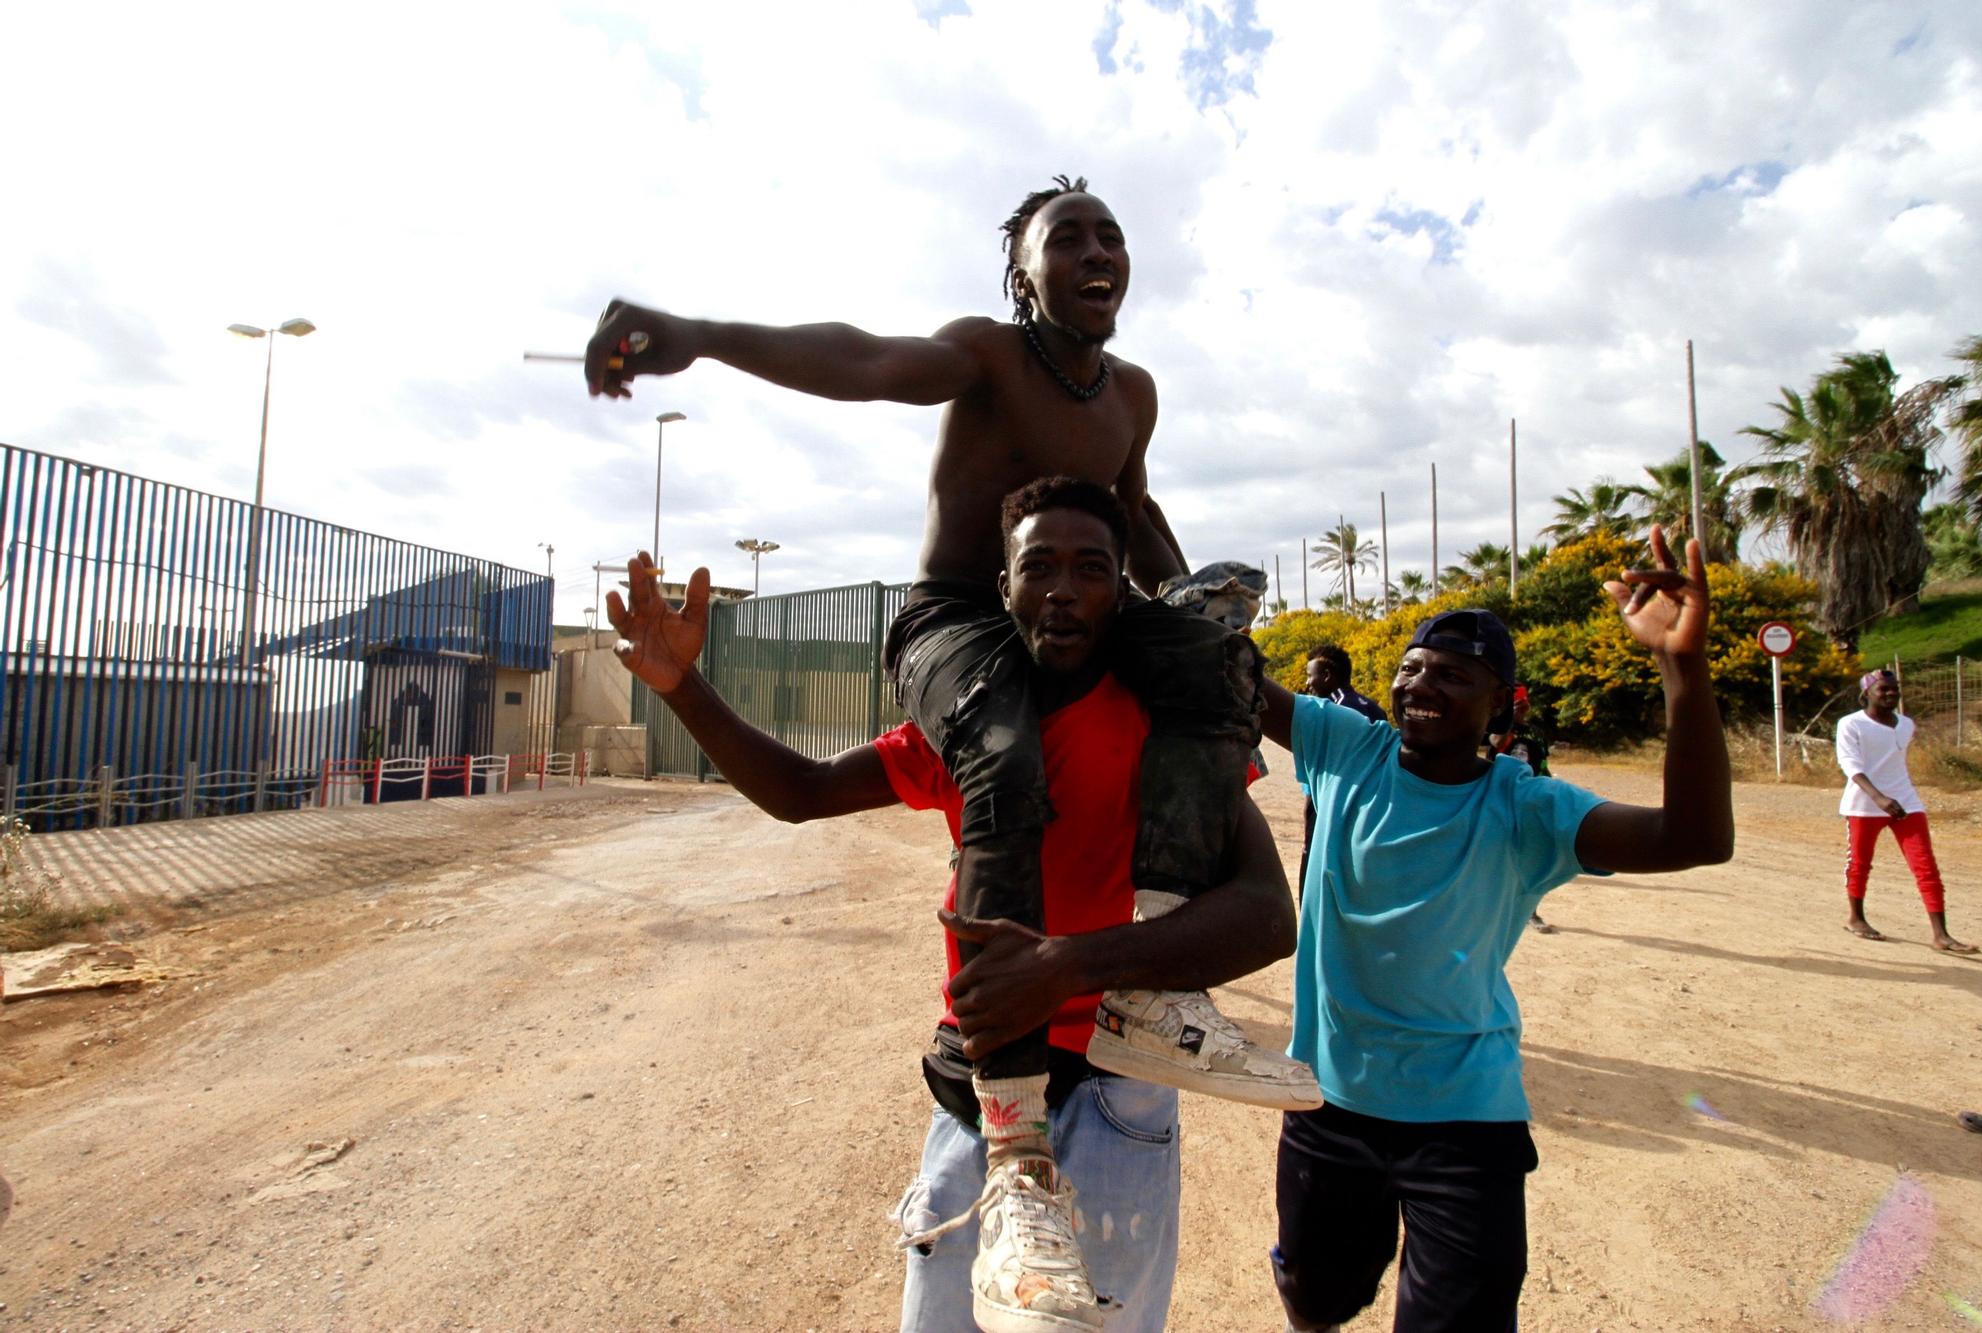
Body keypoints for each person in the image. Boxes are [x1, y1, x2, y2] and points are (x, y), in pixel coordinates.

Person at [585, 181, 1312, 1158]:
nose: (1096, 252)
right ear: (1022, 272)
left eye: (1110, 236)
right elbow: (867, 359)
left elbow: (1129, 513)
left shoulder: (1131, 393)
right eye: (1067, 240)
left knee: (1213, 663)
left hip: (1071, 617)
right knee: (1007, 754)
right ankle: (999, 1092)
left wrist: (1194, 630)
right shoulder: (987, 352)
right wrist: (701, 333)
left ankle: (1150, 981)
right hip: (963, 617)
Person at [605, 479, 1298, 1332]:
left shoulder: (1171, 725)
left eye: (1090, 568)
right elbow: (802, 790)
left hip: (1124, 1088)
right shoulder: (971, 726)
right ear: (1002, 590)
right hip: (983, 1094)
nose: (1062, 589)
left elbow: (1268, 912)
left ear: (1123, 591)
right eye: (1037, 566)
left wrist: (1072, 965)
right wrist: (682, 687)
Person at [1256, 527, 1735, 1332]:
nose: (1421, 684)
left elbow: (1694, 838)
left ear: (1502, 703)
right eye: (1410, 667)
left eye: (1452, 674)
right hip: (1327, 1099)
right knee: (1315, 1298)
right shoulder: (1347, 748)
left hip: (1465, 1121)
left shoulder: (1525, 807)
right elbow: (1228, 675)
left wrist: (1682, 669)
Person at [1836, 669, 1978, 953]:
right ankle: (1856, 918)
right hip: (1865, 804)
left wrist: (1892, 797)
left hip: (1906, 802)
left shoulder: (1906, 725)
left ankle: (1941, 935)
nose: (1891, 694)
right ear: (1866, 694)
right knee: (1860, 864)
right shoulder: (1851, 724)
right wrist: (1879, 797)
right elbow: (1850, 764)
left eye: (1894, 689)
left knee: (1926, 866)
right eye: (1883, 689)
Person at [1294, 645, 1383, 897]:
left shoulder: (1334, 711)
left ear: (1326, 676)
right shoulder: (1372, 706)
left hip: (1335, 803)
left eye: (1310, 675)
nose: (1307, 683)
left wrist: (1310, 802)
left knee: (1319, 863)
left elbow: (1331, 765)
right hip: (1368, 804)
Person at [1486, 682, 1555, 933]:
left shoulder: (1536, 733)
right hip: (1498, 800)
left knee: (1530, 858)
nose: (1521, 708)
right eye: (1517, 704)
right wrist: (1508, 720)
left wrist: (1547, 791)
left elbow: (1543, 763)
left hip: (1529, 800)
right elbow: (1495, 743)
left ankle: (1531, 912)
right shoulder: (1499, 729)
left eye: (1523, 704)